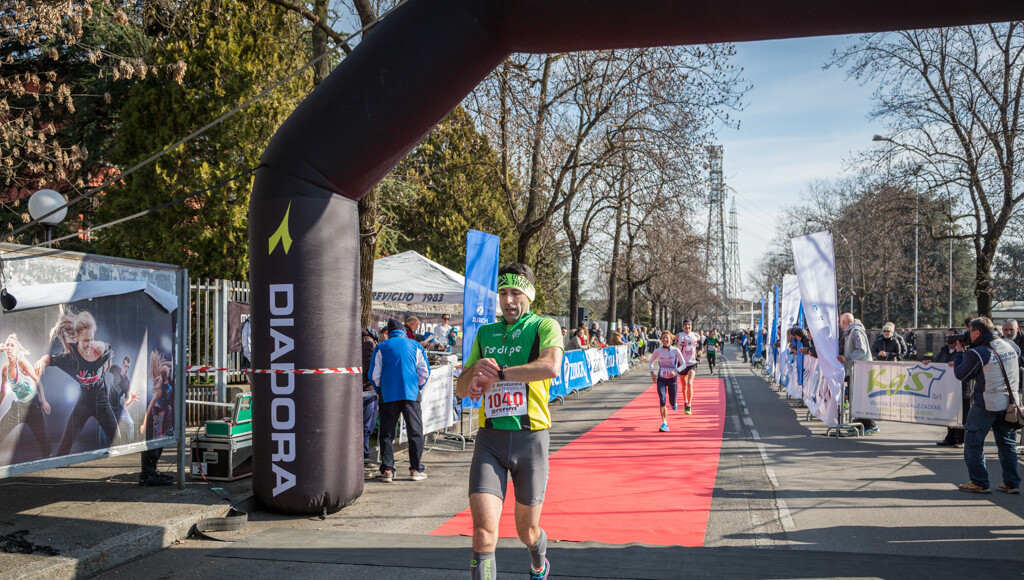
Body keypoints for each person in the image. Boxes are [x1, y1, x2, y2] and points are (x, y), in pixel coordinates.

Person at [455, 262, 562, 580]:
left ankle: (538, 562)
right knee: (482, 534)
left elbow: (550, 366)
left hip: (531, 440)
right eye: (503, 293)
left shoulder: (544, 326)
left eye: (515, 292)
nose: (508, 300)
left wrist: (499, 374)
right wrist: (475, 372)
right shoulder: (486, 333)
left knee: (526, 531)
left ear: (529, 295)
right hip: (490, 440)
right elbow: (460, 389)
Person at [35, 308, 119, 455]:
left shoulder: (98, 349)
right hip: (84, 404)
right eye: (86, 340)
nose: (89, 344)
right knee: (63, 448)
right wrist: (40, 362)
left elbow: (108, 351)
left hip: (102, 403)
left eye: (91, 339)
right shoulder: (70, 358)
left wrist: (107, 362)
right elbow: (50, 358)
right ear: (78, 337)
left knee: (119, 441)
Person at [954, 317, 1022, 494]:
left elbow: (961, 374)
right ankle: (1012, 483)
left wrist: (960, 352)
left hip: (986, 404)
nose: (968, 335)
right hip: (1010, 404)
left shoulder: (980, 352)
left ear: (977, 332)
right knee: (1008, 444)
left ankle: (979, 482)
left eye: (970, 332)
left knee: (973, 443)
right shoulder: (1011, 345)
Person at [369, 318, 431, 483]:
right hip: (411, 394)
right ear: (403, 332)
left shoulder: (381, 347)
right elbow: (424, 372)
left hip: (388, 395)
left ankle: (387, 470)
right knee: (415, 432)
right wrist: (417, 387)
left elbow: (374, 375)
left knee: (387, 433)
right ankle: (416, 469)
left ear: (389, 333)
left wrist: (380, 390)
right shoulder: (416, 346)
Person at [0, 334, 51, 459]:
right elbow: (3, 391)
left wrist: (43, 401)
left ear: (17, 349)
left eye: (12, 345)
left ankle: (50, 461)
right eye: (7, 345)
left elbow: (37, 380)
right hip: (18, 407)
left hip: (33, 406)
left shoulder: (21, 362)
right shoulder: (4, 369)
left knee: (43, 441)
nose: (9, 347)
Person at [139, 350, 175, 486]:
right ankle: (147, 474)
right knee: (154, 442)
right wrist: (144, 423)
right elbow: (150, 405)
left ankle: (151, 472)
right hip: (156, 414)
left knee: (159, 442)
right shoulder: (160, 389)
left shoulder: (167, 383)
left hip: (163, 414)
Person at [837, 313, 876, 435]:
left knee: (861, 397)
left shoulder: (856, 331)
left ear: (844, 322)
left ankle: (870, 425)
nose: (840, 324)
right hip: (854, 370)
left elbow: (862, 350)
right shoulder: (849, 332)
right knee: (855, 397)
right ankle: (861, 422)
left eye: (840, 322)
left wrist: (847, 358)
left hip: (861, 370)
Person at [929, 329, 969, 447]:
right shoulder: (943, 351)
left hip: (962, 389)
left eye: (952, 336)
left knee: (961, 415)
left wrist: (957, 363)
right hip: (946, 388)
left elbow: (968, 365)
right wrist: (928, 364)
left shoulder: (965, 351)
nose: (949, 339)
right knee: (949, 414)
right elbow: (936, 364)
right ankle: (950, 438)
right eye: (947, 336)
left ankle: (961, 440)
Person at [649, 331, 685, 432]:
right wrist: (652, 373)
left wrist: (676, 371)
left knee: (672, 402)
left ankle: (673, 404)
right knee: (662, 399)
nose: (665, 340)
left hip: (672, 378)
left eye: (667, 338)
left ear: (671, 339)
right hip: (661, 378)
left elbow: (683, 364)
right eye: (663, 338)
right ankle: (665, 423)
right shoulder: (657, 351)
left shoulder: (675, 350)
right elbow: (650, 363)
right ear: (661, 340)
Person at [106, 356, 139, 445]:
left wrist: (132, 399)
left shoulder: (127, 383)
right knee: (104, 428)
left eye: (128, 367)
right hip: (107, 405)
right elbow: (107, 367)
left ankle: (131, 446)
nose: (126, 369)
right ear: (122, 364)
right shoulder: (116, 369)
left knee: (131, 423)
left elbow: (126, 403)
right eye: (125, 366)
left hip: (117, 407)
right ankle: (105, 449)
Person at [361, 327, 380, 468]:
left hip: (368, 390)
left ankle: (364, 457)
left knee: (367, 427)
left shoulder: (366, 341)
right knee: (366, 427)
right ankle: (363, 458)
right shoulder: (368, 342)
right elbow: (369, 368)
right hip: (367, 390)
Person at [676, 319, 700, 415]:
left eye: (689, 325)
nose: (687, 326)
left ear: (691, 326)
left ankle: (689, 404)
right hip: (682, 364)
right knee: (684, 385)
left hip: (692, 363)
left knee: (690, 383)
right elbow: (670, 339)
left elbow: (700, 342)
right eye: (685, 325)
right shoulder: (679, 335)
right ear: (683, 326)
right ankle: (685, 401)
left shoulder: (695, 335)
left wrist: (699, 352)